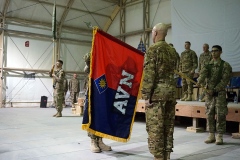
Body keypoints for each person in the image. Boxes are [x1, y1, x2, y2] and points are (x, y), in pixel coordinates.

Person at [141, 23, 177, 160]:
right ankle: (166, 156)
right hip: (171, 94)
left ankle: (158, 157)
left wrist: (145, 95)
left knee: (155, 128)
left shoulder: (152, 50)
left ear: (155, 33)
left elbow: (149, 75)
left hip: (157, 95)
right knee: (168, 128)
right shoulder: (172, 51)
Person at [197, 45, 232, 145]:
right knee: (209, 114)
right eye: (212, 51)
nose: (213, 53)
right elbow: (203, 75)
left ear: (220, 52)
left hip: (220, 93)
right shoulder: (207, 64)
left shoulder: (225, 65)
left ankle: (219, 136)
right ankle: (211, 134)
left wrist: (215, 89)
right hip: (209, 94)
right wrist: (200, 81)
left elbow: (225, 80)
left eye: (215, 51)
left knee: (220, 114)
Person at [83, 52, 112, 153]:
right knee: (92, 115)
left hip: (102, 92)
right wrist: (96, 50)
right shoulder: (90, 63)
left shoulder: (105, 62)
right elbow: (87, 59)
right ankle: (93, 141)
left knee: (102, 116)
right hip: (92, 92)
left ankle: (100, 140)